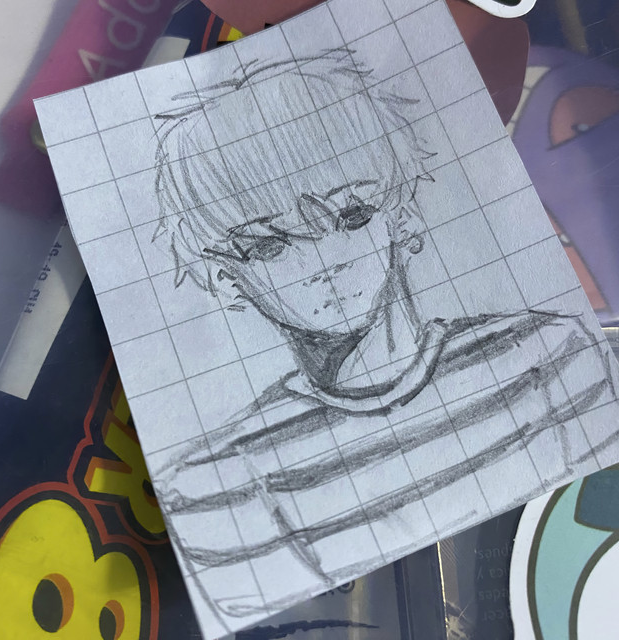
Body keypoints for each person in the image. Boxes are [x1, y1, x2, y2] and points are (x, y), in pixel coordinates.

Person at [149, 48, 615, 632]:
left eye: (352, 216)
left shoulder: (552, 354)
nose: (324, 260)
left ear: (401, 216)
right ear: (226, 280)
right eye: (269, 246)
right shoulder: (216, 485)